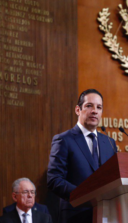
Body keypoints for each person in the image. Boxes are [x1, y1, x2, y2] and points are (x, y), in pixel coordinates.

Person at [47, 89, 117, 223]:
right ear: (78, 110)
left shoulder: (109, 143)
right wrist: (86, 195)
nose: (95, 111)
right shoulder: (64, 140)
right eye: (89, 106)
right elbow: (54, 179)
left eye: (99, 107)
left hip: (107, 214)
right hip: (76, 214)